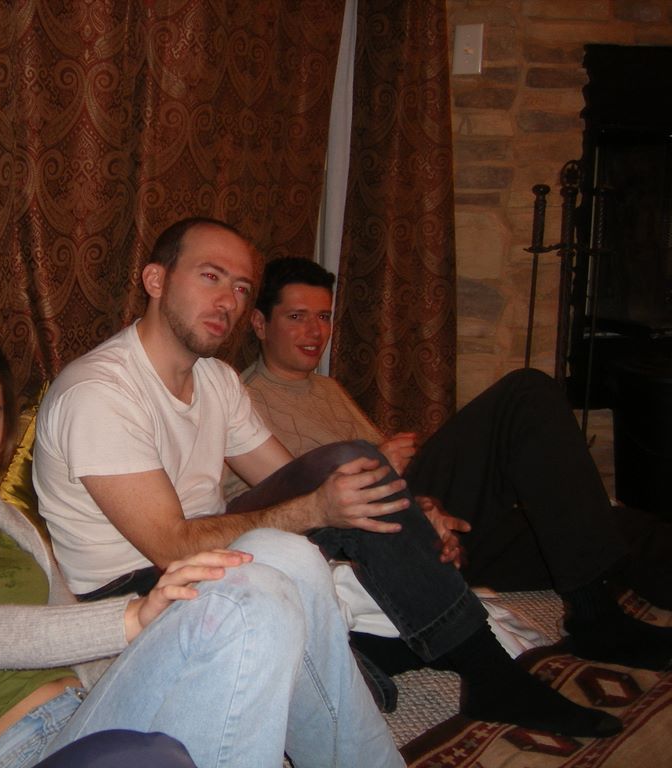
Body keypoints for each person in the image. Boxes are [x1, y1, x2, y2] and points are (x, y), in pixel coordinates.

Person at [33, 216, 623, 739]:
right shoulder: (100, 393)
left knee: (349, 470)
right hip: (138, 592)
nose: (228, 301)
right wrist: (318, 509)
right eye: (210, 277)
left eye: (240, 288)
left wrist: (408, 509)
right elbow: (170, 544)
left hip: (210, 558)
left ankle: (455, 667)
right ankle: (467, 674)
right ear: (156, 279)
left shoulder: (216, 380)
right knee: (343, 521)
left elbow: (296, 475)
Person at [0, 322, 402, 768]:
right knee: (239, 611)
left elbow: (77, 643)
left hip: (89, 713)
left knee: (285, 555)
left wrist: (165, 652)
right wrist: (135, 617)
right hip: (16, 754)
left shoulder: (8, 523)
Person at [224, 256, 672, 674]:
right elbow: (272, 511)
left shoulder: (328, 389)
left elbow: (399, 466)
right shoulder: (242, 402)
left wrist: (422, 499)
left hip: (431, 527)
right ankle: (596, 619)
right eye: (296, 316)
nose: (314, 331)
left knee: (604, 525)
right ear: (261, 323)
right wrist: (381, 467)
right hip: (376, 541)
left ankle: (600, 597)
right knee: (526, 394)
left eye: (323, 317)